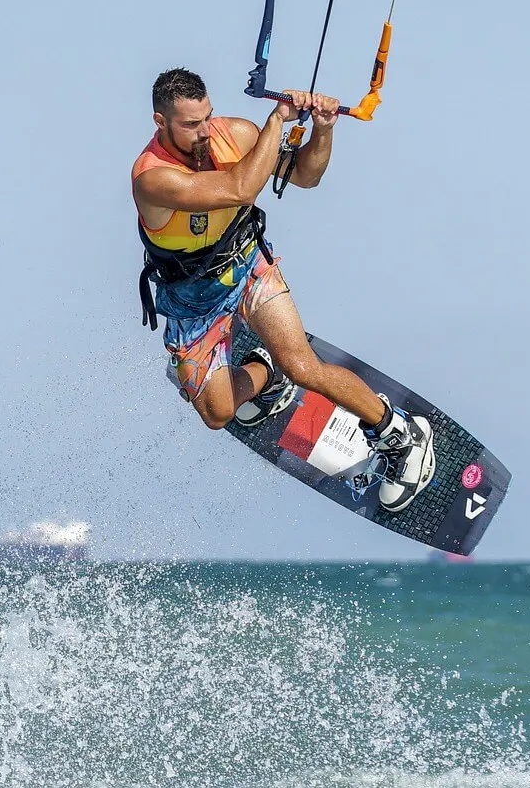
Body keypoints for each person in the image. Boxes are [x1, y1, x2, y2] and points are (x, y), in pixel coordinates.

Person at [131, 68, 435, 511]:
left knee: (304, 366)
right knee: (217, 415)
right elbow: (240, 186)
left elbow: (306, 176)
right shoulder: (152, 177)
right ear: (161, 122)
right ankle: (265, 375)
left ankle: (400, 436)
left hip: (249, 264)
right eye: (191, 125)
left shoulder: (233, 134)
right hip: (191, 298)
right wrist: (277, 120)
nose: (205, 132)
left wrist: (323, 129)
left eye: (208, 117)